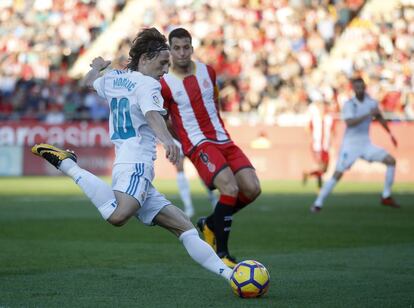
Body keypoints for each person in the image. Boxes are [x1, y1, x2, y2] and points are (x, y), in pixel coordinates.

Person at [31, 27, 233, 282]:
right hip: (137, 163)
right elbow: (151, 114)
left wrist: (98, 67)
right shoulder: (149, 85)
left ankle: (231, 275)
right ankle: (68, 165)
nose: (165, 70)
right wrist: (167, 140)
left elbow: (87, 82)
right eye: (162, 63)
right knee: (118, 215)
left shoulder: (115, 78)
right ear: (145, 58)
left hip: (127, 163)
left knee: (185, 227)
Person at [160, 28, 261, 268]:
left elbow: (213, 102)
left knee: (252, 188)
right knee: (230, 187)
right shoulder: (165, 84)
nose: (182, 53)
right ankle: (223, 253)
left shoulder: (209, 72)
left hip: (223, 139)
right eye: (177, 48)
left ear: (192, 48)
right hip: (198, 144)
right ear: (170, 50)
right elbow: (164, 118)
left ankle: (210, 224)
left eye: (186, 47)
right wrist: (183, 139)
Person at [310, 77, 399, 212]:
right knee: (337, 174)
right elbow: (350, 123)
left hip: (366, 143)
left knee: (391, 161)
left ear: (365, 87)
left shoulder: (371, 102)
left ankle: (386, 196)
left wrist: (390, 134)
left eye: (361, 87)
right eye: (357, 87)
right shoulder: (349, 104)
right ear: (353, 89)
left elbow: (379, 118)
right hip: (350, 146)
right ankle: (318, 203)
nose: (360, 89)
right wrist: (368, 114)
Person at [302, 93, 335, 189]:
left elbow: (331, 131)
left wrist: (330, 143)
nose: (323, 107)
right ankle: (319, 188)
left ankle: (307, 174)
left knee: (325, 169)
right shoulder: (315, 117)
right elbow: (307, 128)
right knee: (321, 166)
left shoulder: (329, 117)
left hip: (325, 146)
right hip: (317, 146)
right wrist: (312, 137)